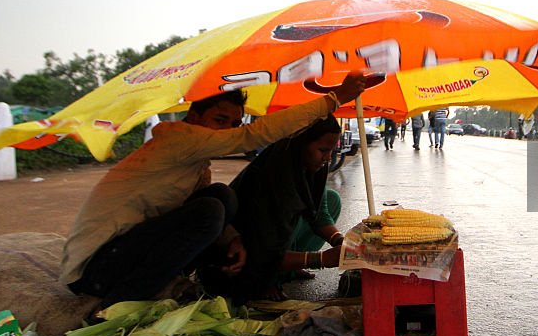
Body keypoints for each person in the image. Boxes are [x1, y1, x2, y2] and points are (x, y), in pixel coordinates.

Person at [60, 72, 367, 312]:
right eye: (220, 121)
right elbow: (253, 135)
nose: (226, 131)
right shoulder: (178, 138)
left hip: (126, 255)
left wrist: (233, 239)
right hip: (94, 269)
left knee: (219, 198)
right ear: (194, 117)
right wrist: (335, 98)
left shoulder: (197, 166)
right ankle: (119, 305)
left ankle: (159, 285)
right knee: (212, 209)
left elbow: (317, 212)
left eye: (233, 123)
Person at [200, 117, 345, 302]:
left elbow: (319, 214)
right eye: (323, 150)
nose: (328, 158)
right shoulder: (273, 179)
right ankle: (276, 273)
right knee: (287, 225)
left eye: (332, 151)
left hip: (272, 246)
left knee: (332, 198)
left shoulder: (312, 167)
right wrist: (321, 259)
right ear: (300, 143)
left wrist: (341, 242)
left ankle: (289, 266)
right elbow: (263, 250)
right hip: (241, 258)